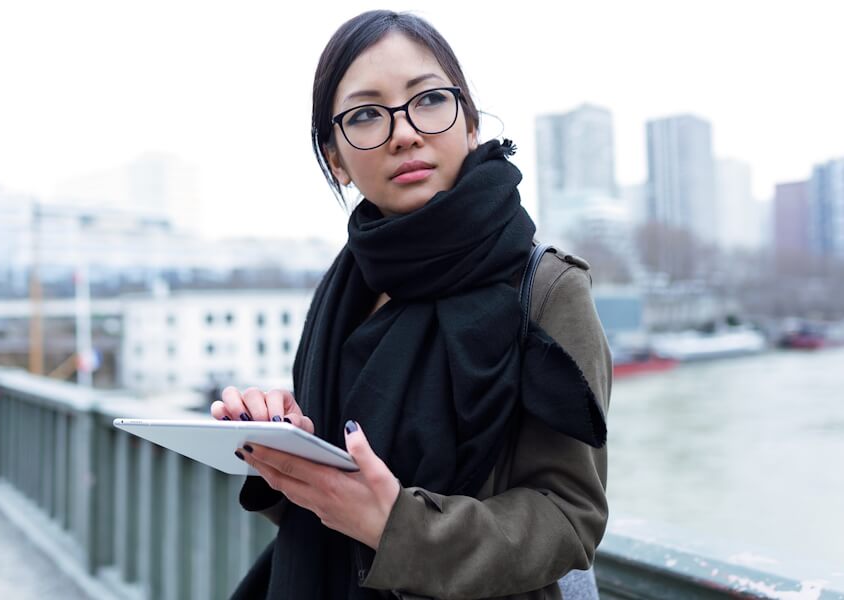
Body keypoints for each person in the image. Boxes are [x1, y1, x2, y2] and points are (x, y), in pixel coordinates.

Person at [210, 10, 611, 600]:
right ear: (337, 159)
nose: (403, 132)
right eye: (366, 114)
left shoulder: (546, 288)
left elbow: (569, 520)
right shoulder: (343, 285)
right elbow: (337, 507)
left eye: (428, 100)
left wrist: (396, 525)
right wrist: (285, 447)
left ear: (470, 125)